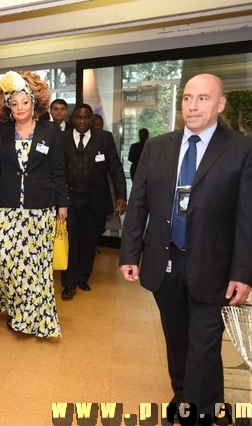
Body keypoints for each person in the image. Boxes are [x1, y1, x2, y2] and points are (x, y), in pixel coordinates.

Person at [119, 73, 252, 422]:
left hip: (214, 265)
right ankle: (182, 395)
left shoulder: (240, 149)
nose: (193, 106)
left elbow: (247, 216)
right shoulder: (158, 146)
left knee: (205, 344)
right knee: (177, 339)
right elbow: (140, 203)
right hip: (166, 262)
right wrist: (130, 253)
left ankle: (202, 412)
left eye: (203, 98)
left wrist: (243, 271)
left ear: (220, 104)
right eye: (188, 98)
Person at [0, 71, 68, 337]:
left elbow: (58, 170)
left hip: (41, 208)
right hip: (7, 207)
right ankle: (17, 305)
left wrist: (63, 203)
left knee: (36, 266)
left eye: (23, 103)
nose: (19, 109)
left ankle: (29, 317)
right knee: (5, 260)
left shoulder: (50, 131)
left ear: (34, 103)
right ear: (7, 106)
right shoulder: (0, 133)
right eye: (13, 104)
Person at [60, 103, 126, 300]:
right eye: (78, 118)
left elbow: (115, 167)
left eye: (86, 118)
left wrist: (121, 195)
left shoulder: (103, 138)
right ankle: (69, 283)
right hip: (70, 199)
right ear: (72, 118)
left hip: (94, 199)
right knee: (71, 241)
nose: (82, 121)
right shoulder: (62, 139)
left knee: (88, 241)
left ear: (91, 119)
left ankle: (82, 277)